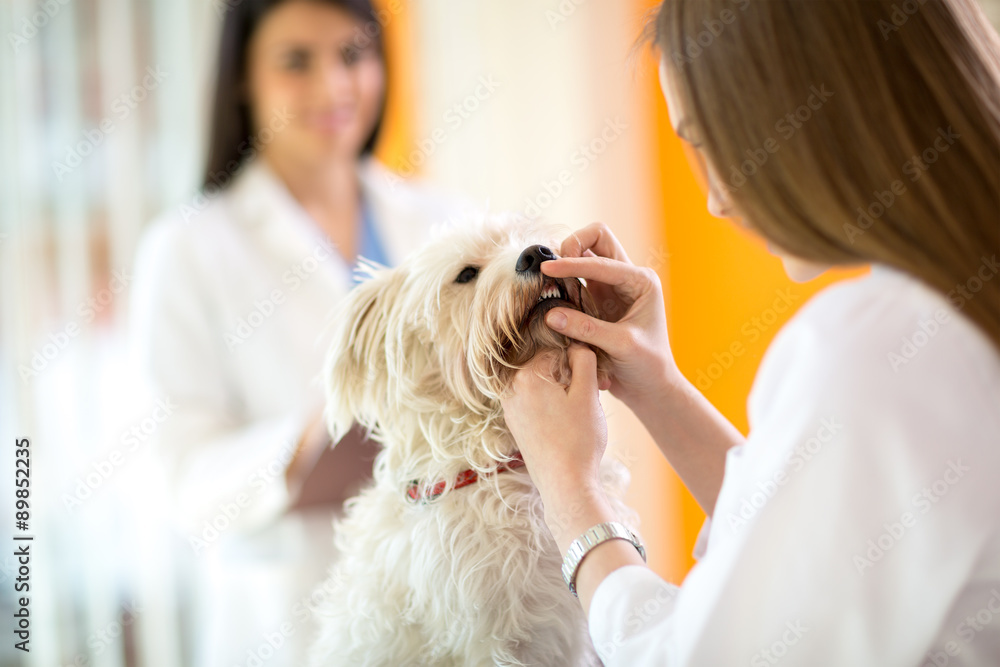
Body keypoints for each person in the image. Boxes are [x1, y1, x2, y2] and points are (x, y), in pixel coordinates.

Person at [500, 0, 1000, 664]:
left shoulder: (876, 345)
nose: (716, 199)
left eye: (715, 142)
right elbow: (820, 540)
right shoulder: (943, 317)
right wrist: (658, 388)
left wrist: (571, 491)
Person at [129, 1, 474, 664]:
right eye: (296, 61)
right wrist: (303, 447)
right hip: (291, 622)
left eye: (353, 55)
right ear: (243, 77)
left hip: (454, 601)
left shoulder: (444, 221)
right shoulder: (187, 248)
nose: (333, 86)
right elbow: (180, 477)